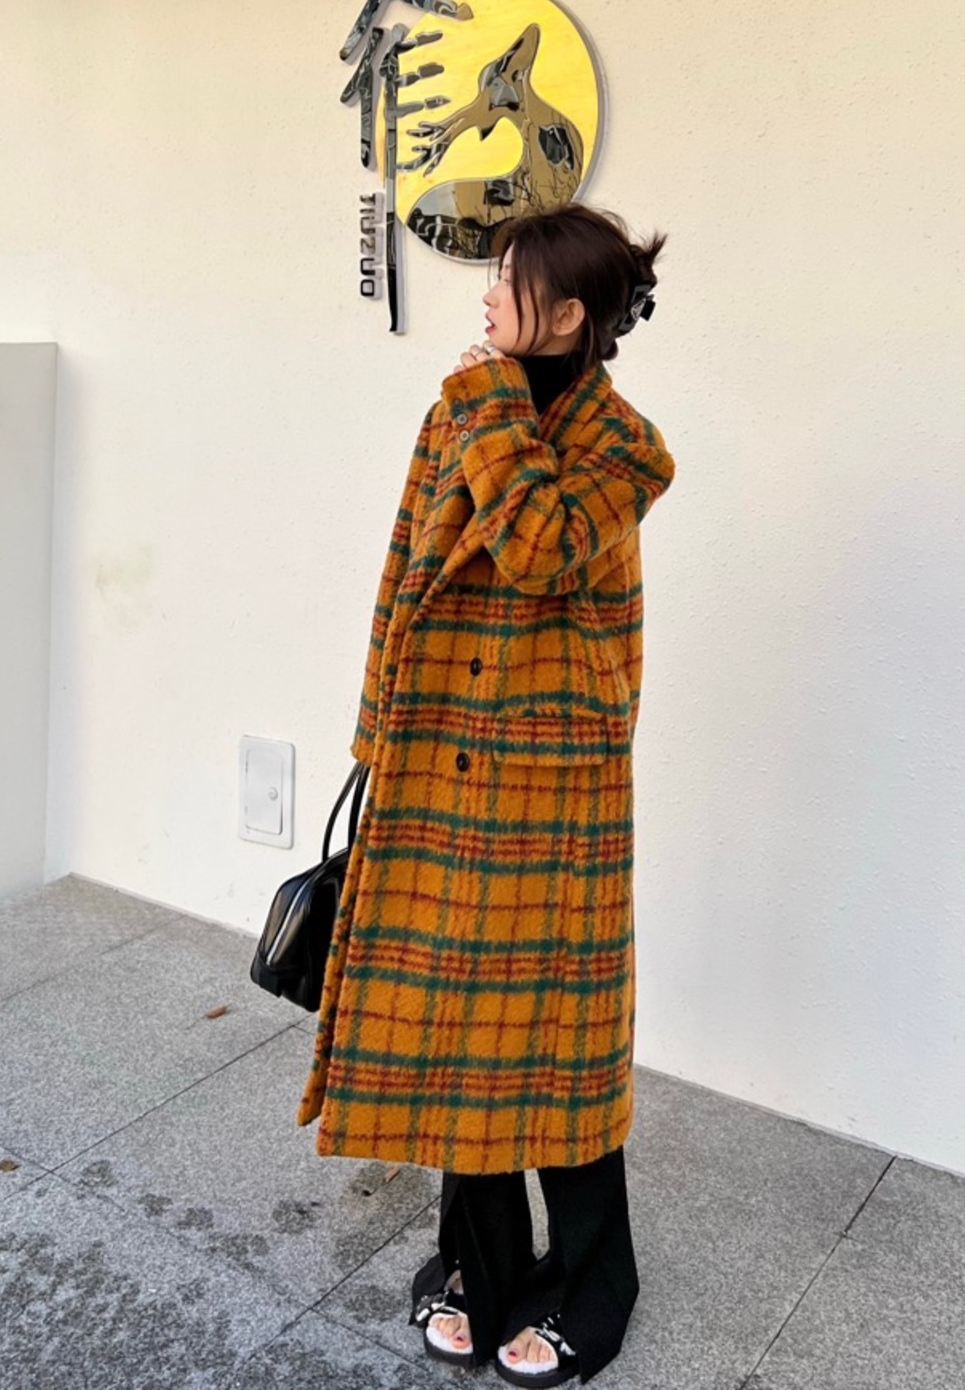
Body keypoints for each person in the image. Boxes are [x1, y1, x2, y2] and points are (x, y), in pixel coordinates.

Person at [296, 202, 676, 1385]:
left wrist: (492, 404)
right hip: (437, 754)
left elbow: (539, 546)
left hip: (553, 790)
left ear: (562, 316)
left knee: (559, 1052)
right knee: (458, 1038)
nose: (484, 296)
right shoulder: (464, 407)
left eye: (506, 283)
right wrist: (374, 734)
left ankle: (597, 1281)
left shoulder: (625, 449)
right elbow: (406, 564)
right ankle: (480, 1262)